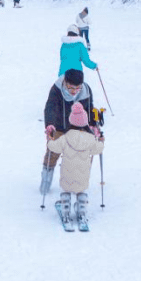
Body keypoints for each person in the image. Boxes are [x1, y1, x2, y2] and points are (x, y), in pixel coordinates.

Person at [40, 68, 98, 196]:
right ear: (65, 82)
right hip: (60, 126)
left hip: (79, 128)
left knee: (82, 154)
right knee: (53, 152)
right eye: (71, 88)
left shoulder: (86, 90)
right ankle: (46, 180)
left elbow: (90, 108)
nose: (74, 92)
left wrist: (93, 124)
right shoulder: (56, 89)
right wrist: (50, 124)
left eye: (78, 88)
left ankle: (78, 182)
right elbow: (50, 107)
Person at [45, 100, 104, 224]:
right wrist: (101, 140)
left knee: (66, 191)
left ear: (71, 121)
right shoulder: (90, 138)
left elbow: (53, 147)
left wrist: (49, 139)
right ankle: (81, 211)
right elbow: (98, 149)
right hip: (82, 177)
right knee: (81, 191)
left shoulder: (65, 138)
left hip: (67, 175)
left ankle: (66, 210)